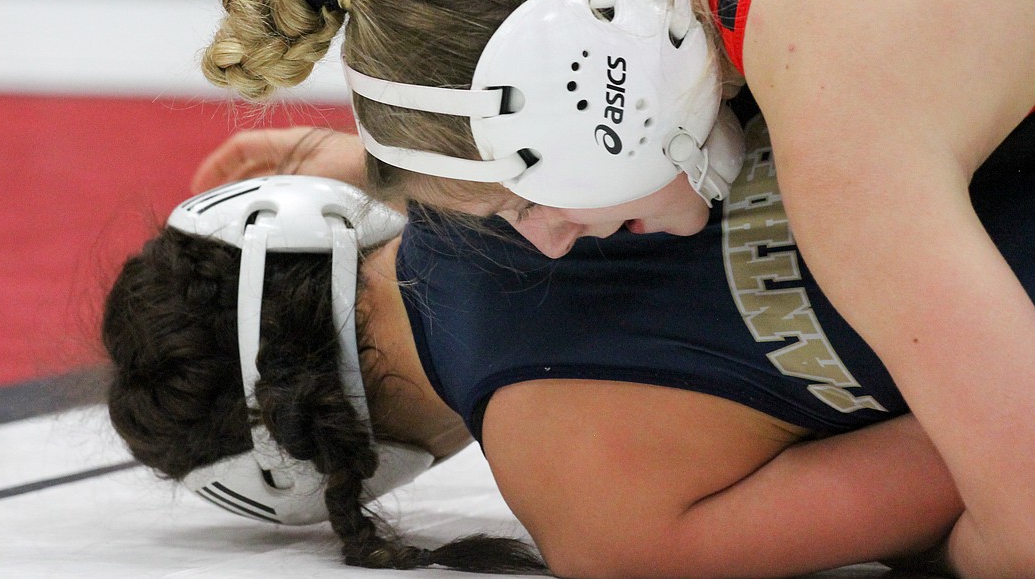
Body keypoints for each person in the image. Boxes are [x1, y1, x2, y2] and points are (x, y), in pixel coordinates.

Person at [192, 0, 1035, 575]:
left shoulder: (847, 161)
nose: (553, 243)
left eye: (523, 202)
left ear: (593, 95)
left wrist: (939, 553)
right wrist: (384, 165)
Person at [106, 98, 1035, 576]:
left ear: (358, 471)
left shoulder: (601, 521)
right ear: (313, 208)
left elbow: (987, 463)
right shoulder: (507, 89)